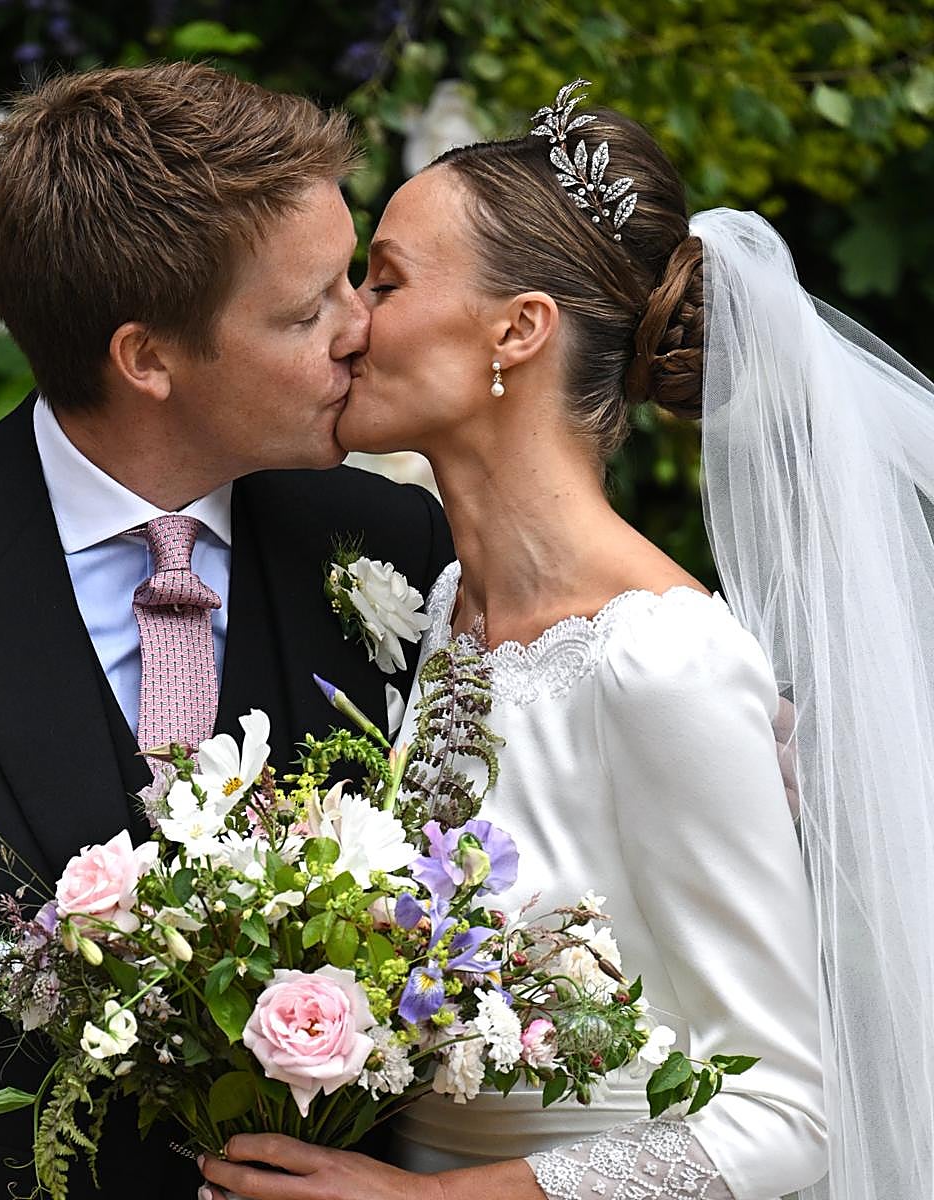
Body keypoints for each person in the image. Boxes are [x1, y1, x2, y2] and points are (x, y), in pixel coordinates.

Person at [198, 80, 934, 1200]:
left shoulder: (661, 663)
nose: (347, 322)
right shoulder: (443, 612)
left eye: (383, 281)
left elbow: (793, 1114)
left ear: (519, 329)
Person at [0, 63, 453, 1200]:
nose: (360, 330)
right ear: (147, 358)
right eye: (306, 310)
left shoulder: (390, 547)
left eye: (350, 280)